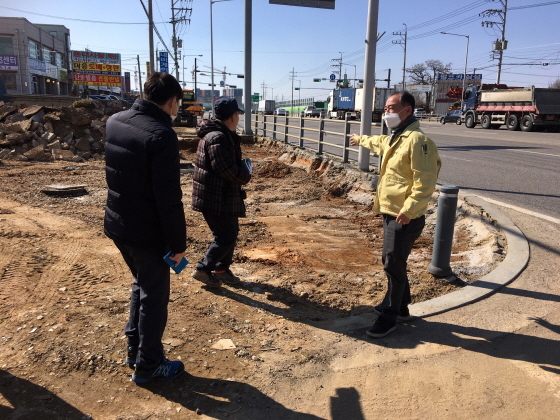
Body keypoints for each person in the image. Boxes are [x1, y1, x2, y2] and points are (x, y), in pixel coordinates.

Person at [104, 72, 186, 383]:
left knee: (141, 284)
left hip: (118, 224)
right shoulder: (161, 135)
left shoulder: (115, 121)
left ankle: (133, 349)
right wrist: (178, 243)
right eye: (177, 103)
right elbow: (169, 199)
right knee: (154, 297)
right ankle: (149, 365)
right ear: (171, 101)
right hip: (146, 233)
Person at [349, 91, 441, 338]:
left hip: (404, 215)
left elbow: (425, 182)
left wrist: (409, 210)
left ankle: (389, 317)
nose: (386, 112)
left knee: (392, 262)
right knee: (394, 261)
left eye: (391, 108)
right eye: (386, 108)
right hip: (391, 211)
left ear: (407, 110)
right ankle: (401, 307)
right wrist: (360, 139)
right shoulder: (396, 137)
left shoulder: (419, 142)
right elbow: (378, 144)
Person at [191, 98, 252, 287]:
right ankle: (203, 269)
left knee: (231, 233)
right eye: (238, 115)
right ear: (233, 116)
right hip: (215, 198)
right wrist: (244, 174)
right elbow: (224, 169)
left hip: (222, 196)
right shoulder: (218, 137)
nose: (238, 119)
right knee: (225, 236)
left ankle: (222, 269)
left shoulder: (221, 134)